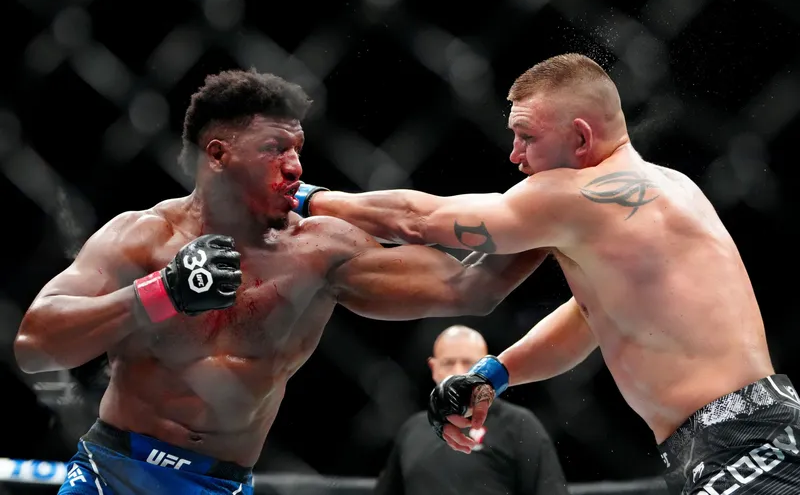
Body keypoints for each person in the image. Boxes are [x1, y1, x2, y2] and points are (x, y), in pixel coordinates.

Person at [13, 70, 550, 495]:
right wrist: (160, 293)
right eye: (275, 148)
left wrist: (559, 215)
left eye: (297, 149)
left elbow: (472, 289)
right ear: (219, 155)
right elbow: (35, 346)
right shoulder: (141, 238)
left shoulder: (320, 250)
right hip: (113, 474)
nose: (295, 167)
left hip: (220, 485)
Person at [295, 53, 800, 494]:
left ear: (580, 137)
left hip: (740, 440)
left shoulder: (577, 196)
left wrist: (304, 198)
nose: (515, 157)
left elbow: (420, 219)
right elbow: (590, 316)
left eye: (527, 138)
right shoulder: (671, 185)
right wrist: (496, 373)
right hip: (744, 429)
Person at [374, 325, 567, 495]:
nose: (459, 372)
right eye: (449, 363)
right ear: (434, 368)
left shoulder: (520, 425)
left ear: (486, 369)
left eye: (469, 364)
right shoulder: (411, 429)